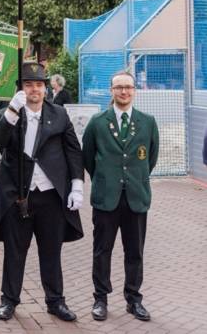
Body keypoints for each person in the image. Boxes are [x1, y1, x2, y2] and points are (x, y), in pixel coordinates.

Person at [0, 62, 84, 322]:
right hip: (19, 194)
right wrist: (10, 112)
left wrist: (77, 183)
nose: (34, 90)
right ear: (21, 88)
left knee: (51, 251)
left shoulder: (59, 114)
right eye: (28, 85)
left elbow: (73, 150)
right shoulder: (10, 114)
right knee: (15, 251)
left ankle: (55, 301)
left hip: (50, 195)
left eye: (39, 85)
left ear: (46, 88)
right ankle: (8, 300)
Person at [82, 70, 159, 322]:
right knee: (102, 250)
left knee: (135, 251)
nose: (124, 92)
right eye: (119, 88)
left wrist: (134, 179)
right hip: (107, 197)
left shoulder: (148, 122)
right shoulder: (97, 122)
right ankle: (100, 299)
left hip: (136, 197)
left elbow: (151, 158)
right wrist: (105, 178)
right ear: (111, 91)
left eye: (128, 87)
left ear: (134, 90)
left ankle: (134, 299)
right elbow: (88, 158)